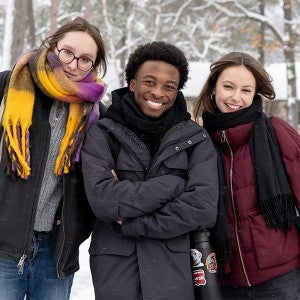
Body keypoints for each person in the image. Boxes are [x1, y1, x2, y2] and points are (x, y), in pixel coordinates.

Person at [81, 41, 219, 299]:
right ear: (133, 84)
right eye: (149, 82)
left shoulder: (196, 139)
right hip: (116, 269)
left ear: (177, 92)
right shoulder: (103, 132)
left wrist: (133, 222)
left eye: (169, 86)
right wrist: (174, 185)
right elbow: (104, 200)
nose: (158, 92)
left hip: (172, 271)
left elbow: (202, 207)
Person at [0, 17, 107, 299]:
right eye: (68, 52)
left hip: (56, 251)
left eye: (85, 59)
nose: (73, 64)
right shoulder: (10, 86)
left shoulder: (96, 113)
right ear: (53, 47)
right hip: (3, 244)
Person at [193, 51, 300, 299]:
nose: (236, 97)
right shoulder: (198, 142)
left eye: (246, 90)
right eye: (228, 87)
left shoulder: (276, 131)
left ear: (254, 95)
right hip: (225, 281)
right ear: (213, 88)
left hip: (282, 278)